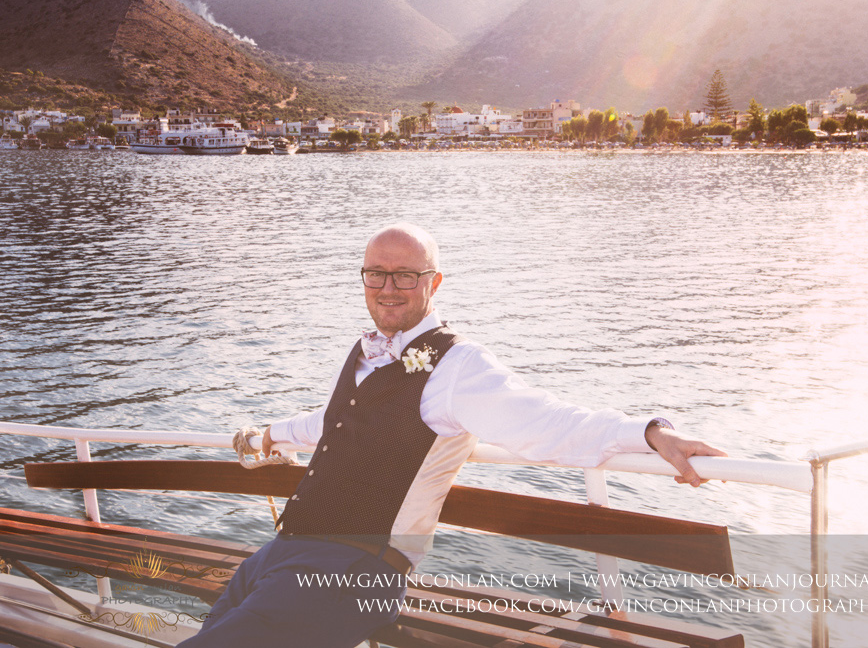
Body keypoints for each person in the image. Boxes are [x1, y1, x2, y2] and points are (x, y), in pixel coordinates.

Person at [179, 222, 726, 647]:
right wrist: (269, 434)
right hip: (280, 554)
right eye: (376, 273)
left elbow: (546, 423)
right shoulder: (364, 351)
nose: (389, 288)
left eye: (406, 275)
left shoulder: (457, 366)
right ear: (363, 278)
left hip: (352, 572)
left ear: (433, 283)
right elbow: (332, 423)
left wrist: (651, 432)